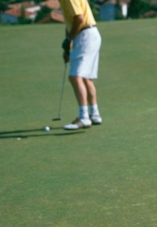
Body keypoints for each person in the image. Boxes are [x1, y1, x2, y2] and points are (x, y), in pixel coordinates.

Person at [59, 0, 102, 130]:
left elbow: (79, 19)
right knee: (85, 78)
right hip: (89, 35)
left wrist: (68, 39)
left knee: (75, 76)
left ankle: (84, 117)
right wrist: (67, 48)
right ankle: (94, 114)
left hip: (85, 35)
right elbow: (70, 23)